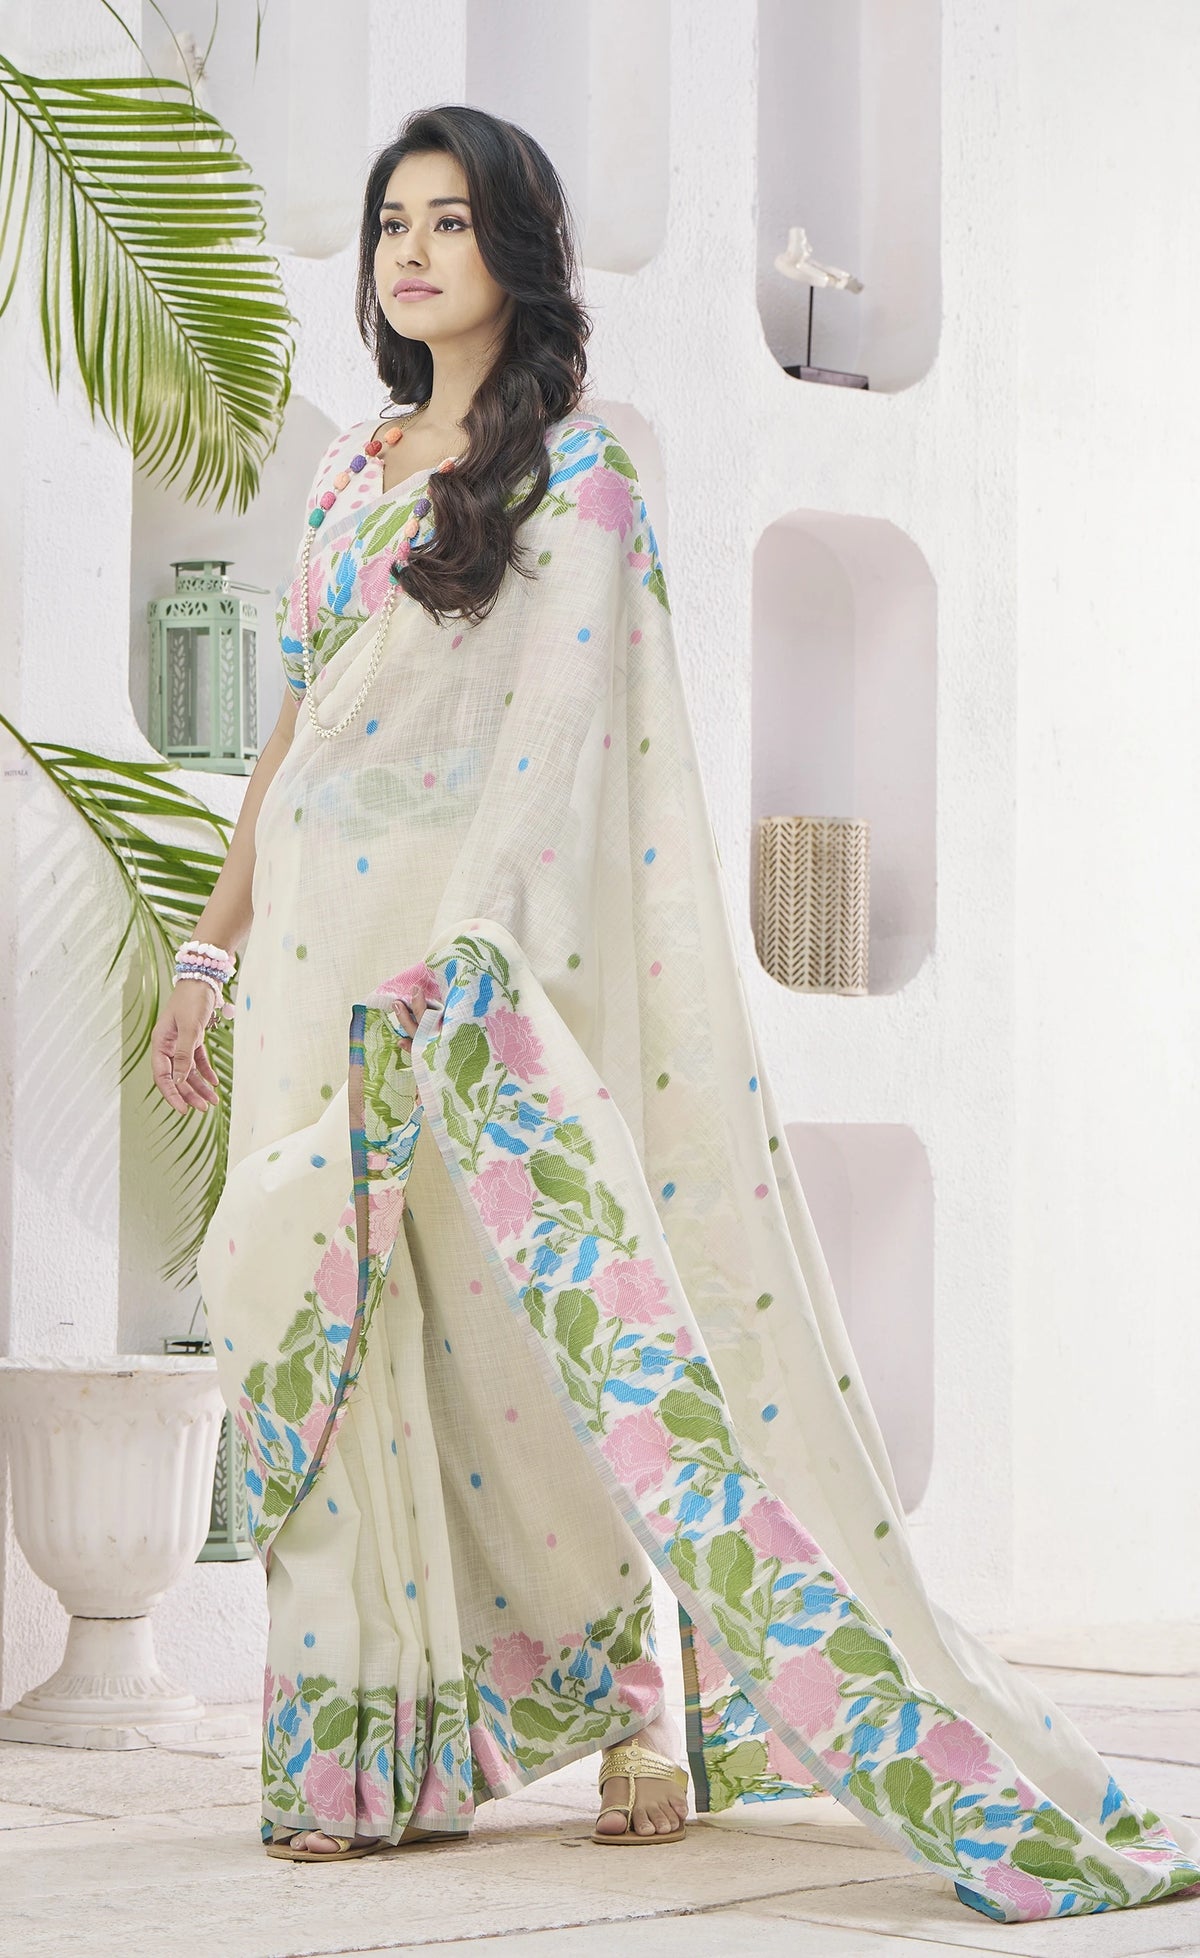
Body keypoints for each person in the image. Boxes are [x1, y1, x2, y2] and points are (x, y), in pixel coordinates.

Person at [153, 105, 1200, 1924]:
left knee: (512, 1346)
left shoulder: (579, 483)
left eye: (450, 220)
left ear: (518, 253)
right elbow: (295, 735)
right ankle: (348, 1747)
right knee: (315, 1330)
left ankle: (631, 1687)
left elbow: (568, 756)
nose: (410, 250)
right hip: (311, 960)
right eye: (391, 221)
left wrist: (472, 946)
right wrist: (209, 948)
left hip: (466, 968)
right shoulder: (345, 470)